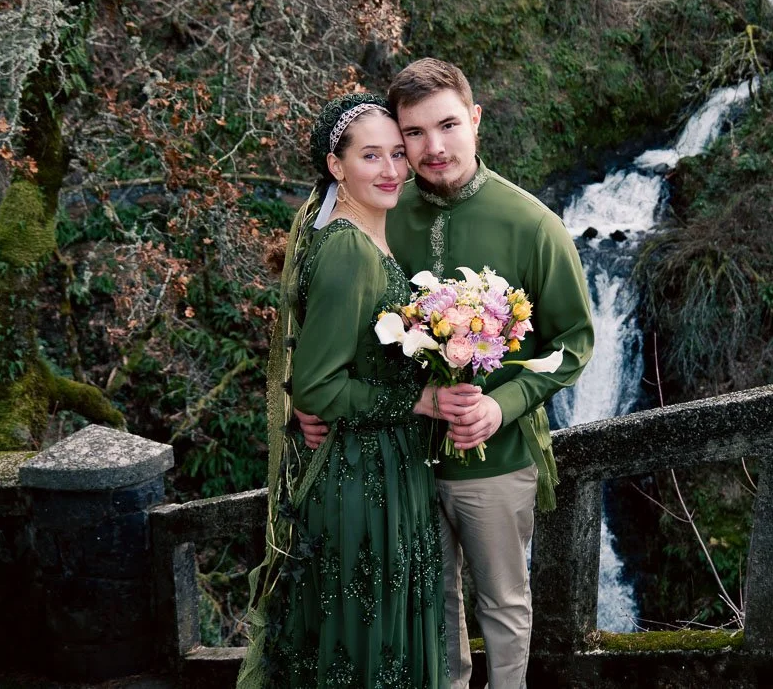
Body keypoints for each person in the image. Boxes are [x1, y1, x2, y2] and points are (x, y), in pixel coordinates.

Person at [299, 61, 594, 689]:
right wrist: (307, 403)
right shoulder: (379, 207)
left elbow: (575, 343)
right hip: (398, 463)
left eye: (448, 125)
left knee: (504, 607)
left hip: (496, 459)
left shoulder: (533, 224)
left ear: (476, 120)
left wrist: (504, 403)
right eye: (414, 133)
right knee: (431, 610)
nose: (433, 148)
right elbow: (331, 322)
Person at [237, 93, 478, 689]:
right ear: (335, 167)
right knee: (366, 647)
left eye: (399, 153)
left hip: (392, 470)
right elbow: (317, 386)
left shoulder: (370, 237)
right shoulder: (348, 247)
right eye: (372, 156)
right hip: (363, 482)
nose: (393, 169)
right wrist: (417, 400)